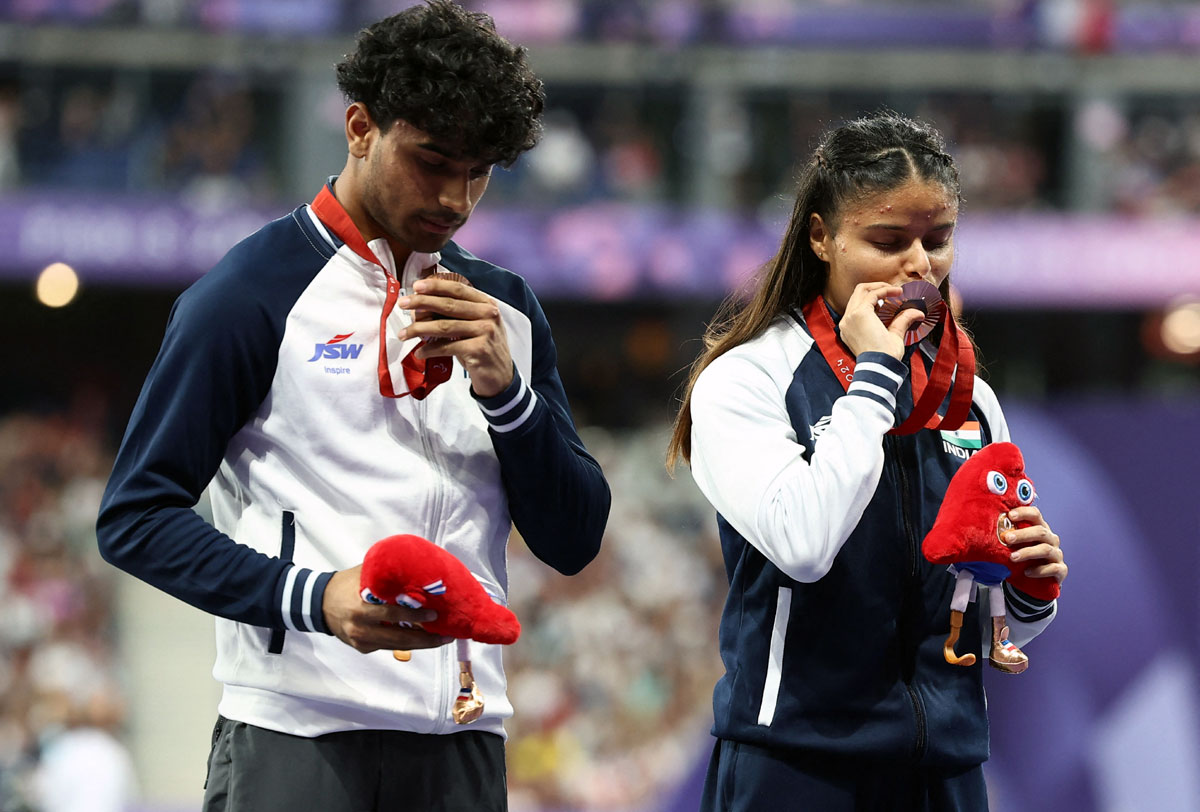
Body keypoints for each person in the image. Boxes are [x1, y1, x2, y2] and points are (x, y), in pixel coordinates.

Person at [95, 3, 611, 810]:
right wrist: (314, 596)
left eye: (479, 170)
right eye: (433, 159)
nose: (456, 197)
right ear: (361, 126)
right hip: (295, 735)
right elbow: (134, 517)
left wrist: (508, 396)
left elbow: (575, 539)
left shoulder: (505, 309)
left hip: (463, 740)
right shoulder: (247, 295)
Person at [666, 111, 1067, 811]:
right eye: (887, 241)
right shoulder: (749, 379)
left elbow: (987, 613)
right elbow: (805, 546)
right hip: (795, 766)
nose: (919, 266)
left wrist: (1029, 588)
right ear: (822, 236)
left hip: (945, 769)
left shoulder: (972, 400)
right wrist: (876, 378)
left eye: (937, 241)